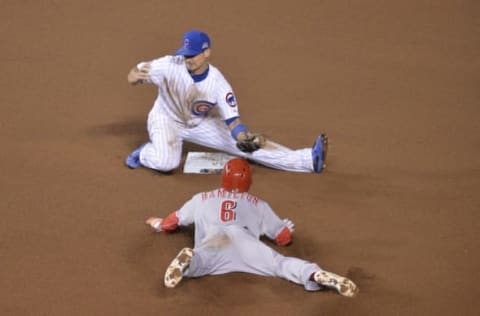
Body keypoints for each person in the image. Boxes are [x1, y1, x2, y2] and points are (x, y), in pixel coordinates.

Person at [145, 158, 358, 297]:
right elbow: (283, 238)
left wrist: (157, 223)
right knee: (280, 265)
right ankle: (313, 274)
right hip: (246, 244)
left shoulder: (201, 198)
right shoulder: (259, 204)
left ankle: (190, 259)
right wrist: (284, 227)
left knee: (199, 262)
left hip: (215, 241)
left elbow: (172, 222)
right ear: (248, 181)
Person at [125, 30, 328, 173]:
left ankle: (308, 160)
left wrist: (241, 137)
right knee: (166, 163)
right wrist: (134, 77)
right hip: (165, 119)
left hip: (197, 124)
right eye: (186, 54)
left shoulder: (218, 84)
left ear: (206, 53)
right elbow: (134, 72)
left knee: (248, 146)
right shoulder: (169, 64)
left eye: (193, 55)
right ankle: (144, 153)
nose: (188, 59)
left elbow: (233, 121)